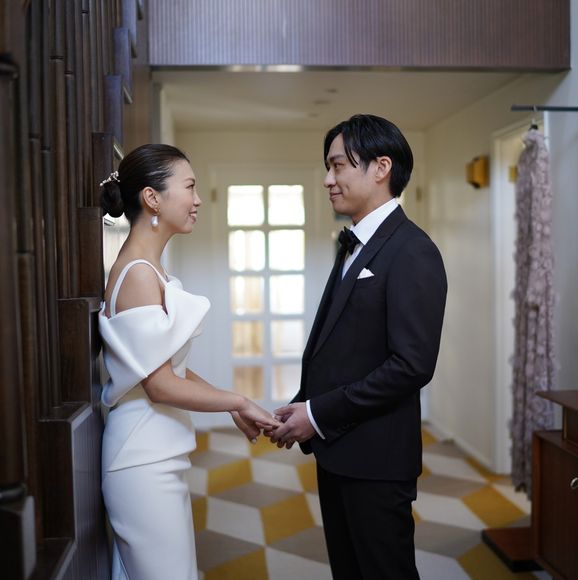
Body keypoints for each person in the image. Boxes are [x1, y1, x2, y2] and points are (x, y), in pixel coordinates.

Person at [264, 114, 447, 579]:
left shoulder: (412, 250)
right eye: (328, 167)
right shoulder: (355, 243)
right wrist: (303, 404)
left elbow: (411, 365)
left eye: (338, 166)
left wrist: (318, 414)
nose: (328, 180)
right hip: (339, 448)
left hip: (376, 459)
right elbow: (343, 347)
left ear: (381, 167)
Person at [98, 144, 278, 580]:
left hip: (159, 452)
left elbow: (167, 368)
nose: (197, 200)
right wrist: (237, 400)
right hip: (141, 457)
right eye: (190, 187)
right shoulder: (137, 274)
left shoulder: (149, 269)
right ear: (152, 198)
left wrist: (231, 403)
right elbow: (159, 385)